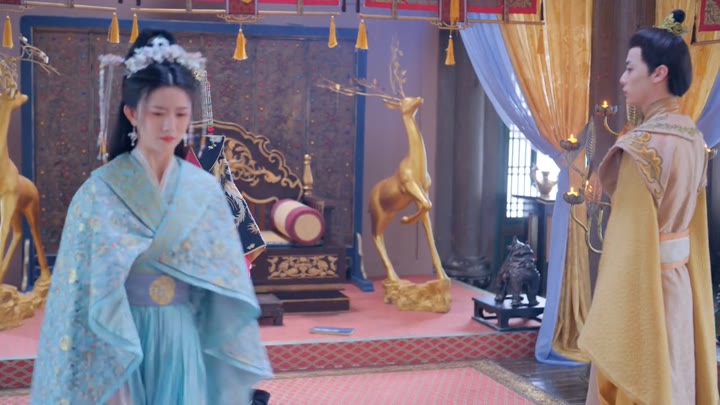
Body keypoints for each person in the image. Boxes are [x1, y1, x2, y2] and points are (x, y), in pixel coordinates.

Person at [29, 29, 273, 404]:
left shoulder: (204, 191)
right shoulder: (99, 191)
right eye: (158, 113)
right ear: (132, 113)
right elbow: (75, 296)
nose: (170, 126)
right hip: (119, 341)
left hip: (183, 337)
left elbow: (222, 284)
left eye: (181, 114)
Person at [578, 10, 718, 405]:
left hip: (643, 289)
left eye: (629, 68)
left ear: (658, 73)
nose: (622, 80)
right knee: (677, 377)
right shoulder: (694, 139)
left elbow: (626, 244)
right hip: (681, 286)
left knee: (641, 382)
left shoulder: (641, 147)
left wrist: (608, 308)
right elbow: (696, 230)